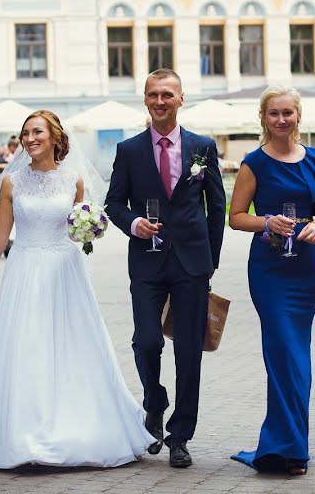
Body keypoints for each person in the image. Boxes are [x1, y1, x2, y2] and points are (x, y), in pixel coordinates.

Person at [0, 110, 154, 469]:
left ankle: (73, 430)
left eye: (37, 132)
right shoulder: (11, 182)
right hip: (24, 269)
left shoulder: (74, 181)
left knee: (71, 347)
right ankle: (25, 437)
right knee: (27, 349)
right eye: (24, 133)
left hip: (65, 272)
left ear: (55, 137)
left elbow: (78, 230)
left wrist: (90, 230)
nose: (29, 138)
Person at [105, 68, 226, 469]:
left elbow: (217, 207)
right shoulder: (129, 150)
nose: (160, 101)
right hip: (147, 261)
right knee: (147, 341)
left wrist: (210, 262)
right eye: (154, 94)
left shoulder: (202, 147)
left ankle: (180, 436)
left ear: (180, 99)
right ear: (145, 99)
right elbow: (114, 203)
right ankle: (154, 402)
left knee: (189, 351)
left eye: (167, 95)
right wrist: (133, 224)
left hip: (192, 263)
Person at [228, 87, 315, 475]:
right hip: (270, 271)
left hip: (306, 270)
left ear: (298, 116)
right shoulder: (253, 163)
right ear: (264, 119)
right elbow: (236, 216)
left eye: (287, 112)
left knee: (298, 356)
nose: (281, 119)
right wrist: (267, 221)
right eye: (274, 113)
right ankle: (285, 447)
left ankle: (287, 445)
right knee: (282, 353)